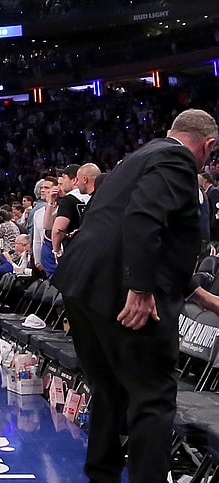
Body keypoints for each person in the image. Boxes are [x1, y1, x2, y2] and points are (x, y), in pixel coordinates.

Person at [54, 109, 219, 483]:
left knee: (110, 390)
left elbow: (121, 226)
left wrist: (200, 296)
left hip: (83, 288)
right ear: (208, 146)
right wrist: (141, 287)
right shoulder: (178, 159)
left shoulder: (139, 157)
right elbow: (143, 220)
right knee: (153, 399)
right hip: (125, 293)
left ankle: (102, 475)